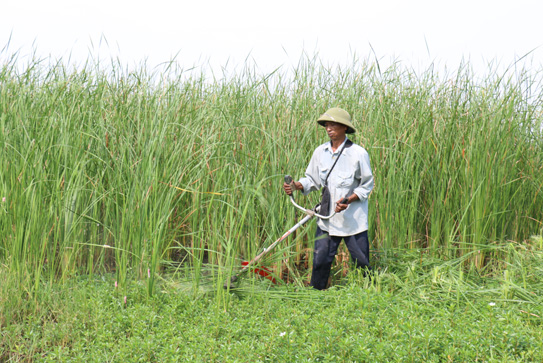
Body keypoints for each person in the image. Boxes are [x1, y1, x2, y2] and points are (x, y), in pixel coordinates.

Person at [283, 107, 374, 290]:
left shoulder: (358, 154)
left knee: (362, 263)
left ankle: (371, 295)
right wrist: (296, 185)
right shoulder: (320, 152)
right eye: (326, 125)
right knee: (320, 261)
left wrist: (348, 200)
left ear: (344, 128)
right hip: (327, 219)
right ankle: (317, 297)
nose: (328, 128)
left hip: (352, 221)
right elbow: (312, 180)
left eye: (333, 124)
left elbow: (366, 186)